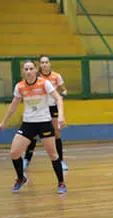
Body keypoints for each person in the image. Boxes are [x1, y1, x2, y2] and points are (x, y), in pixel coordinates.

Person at [0, 60, 67, 194]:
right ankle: (20, 178)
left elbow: (58, 98)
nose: (29, 71)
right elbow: (13, 105)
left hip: (44, 123)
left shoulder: (44, 83)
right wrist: (4, 122)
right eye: (26, 69)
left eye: (31, 69)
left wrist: (60, 116)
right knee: (14, 152)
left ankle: (61, 183)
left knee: (53, 155)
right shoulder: (19, 87)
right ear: (23, 72)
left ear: (36, 70)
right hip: (28, 123)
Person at [24, 55, 69, 171]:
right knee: (33, 135)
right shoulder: (36, 76)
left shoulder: (56, 76)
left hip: (53, 107)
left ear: (50, 64)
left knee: (57, 133)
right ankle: (26, 160)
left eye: (46, 62)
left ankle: (61, 161)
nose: (44, 64)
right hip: (39, 108)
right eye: (42, 62)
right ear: (39, 65)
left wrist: (62, 94)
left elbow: (63, 89)